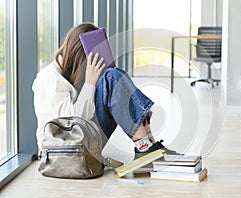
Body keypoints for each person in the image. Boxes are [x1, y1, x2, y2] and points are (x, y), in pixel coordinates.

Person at [32, 22, 177, 161]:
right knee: (111, 78)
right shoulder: (50, 78)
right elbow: (72, 123)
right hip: (62, 152)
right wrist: (90, 82)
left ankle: (148, 145)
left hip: (78, 144)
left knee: (114, 76)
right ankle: (145, 148)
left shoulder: (68, 75)